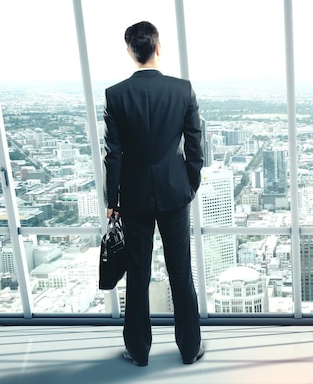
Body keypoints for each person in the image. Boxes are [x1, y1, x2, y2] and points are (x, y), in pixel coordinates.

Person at [103, 21, 205, 367]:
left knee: (138, 274)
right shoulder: (182, 90)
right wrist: (189, 182)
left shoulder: (115, 95)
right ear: (158, 48)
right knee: (180, 272)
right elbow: (195, 145)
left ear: (131, 51)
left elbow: (113, 155)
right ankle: (190, 349)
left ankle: (139, 350)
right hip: (175, 192)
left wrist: (111, 201)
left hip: (133, 197)